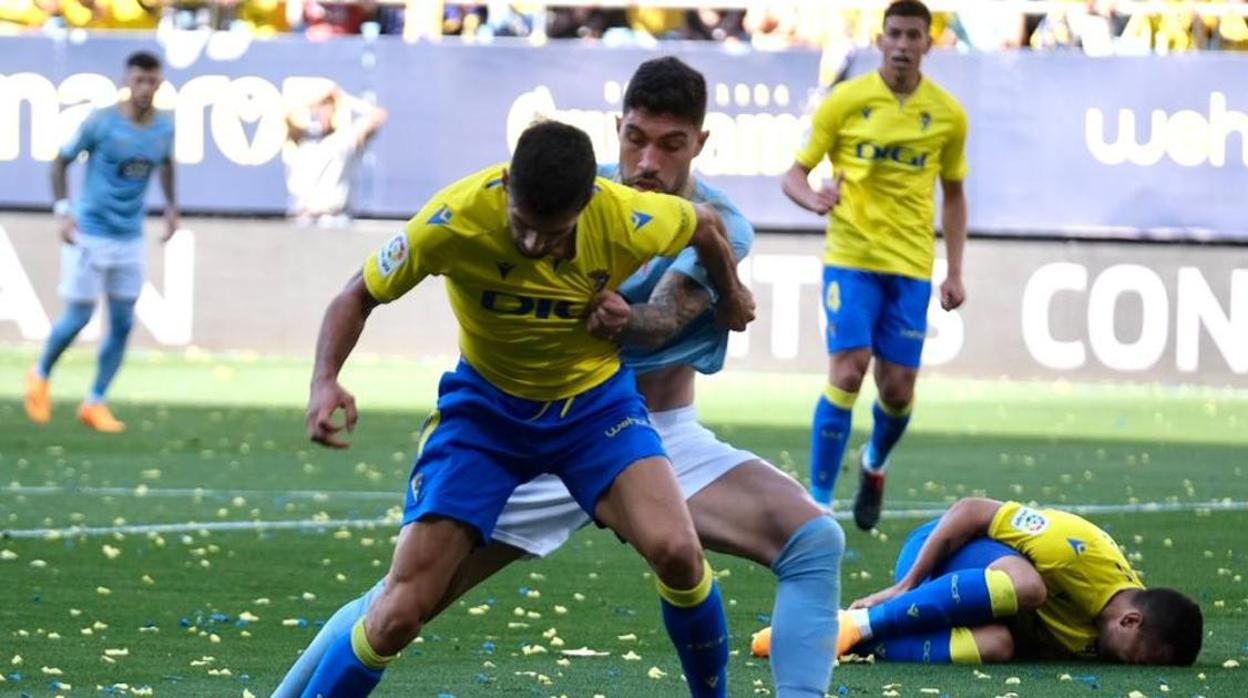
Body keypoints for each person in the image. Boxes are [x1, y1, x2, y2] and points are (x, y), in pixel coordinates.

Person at [274, 56, 843, 698]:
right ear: (616, 131)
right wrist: (325, 380)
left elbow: (666, 311)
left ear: (699, 145)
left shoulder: (660, 215)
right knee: (403, 604)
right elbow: (362, 291)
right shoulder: (550, 189)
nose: (648, 161)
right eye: (635, 139)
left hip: (623, 424)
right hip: (505, 420)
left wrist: (720, 297)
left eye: (671, 144)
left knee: (804, 541)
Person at [780, 0, 969, 530]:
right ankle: (819, 503)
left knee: (898, 389)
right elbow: (793, 175)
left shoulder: (948, 115)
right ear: (880, 40)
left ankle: (874, 463)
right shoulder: (845, 101)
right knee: (847, 367)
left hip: (910, 264)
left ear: (929, 43)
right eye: (895, 34)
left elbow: (954, 195)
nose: (904, 45)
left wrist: (954, 270)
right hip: (851, 257)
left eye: (914, 35)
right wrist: (813, 199)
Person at [756, 497, 1203, 666]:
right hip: (935, 554)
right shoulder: (1071, 551)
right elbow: (971, 510)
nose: (1131, 668)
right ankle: (863, 623)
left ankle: (849, 641)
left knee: (999, 647)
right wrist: (905, 586)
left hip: (963, 603)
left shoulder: (1111, 627)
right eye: (1139, 660)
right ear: (1130, 622)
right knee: (1029, 587)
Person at [24, 50, 177, 433]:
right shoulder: (102, 123)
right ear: (127, 81)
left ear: (159, 84)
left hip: (129, 237)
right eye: (139, 80)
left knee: (123, 322)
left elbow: (167, 163)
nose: (145, 88)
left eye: (152, 81)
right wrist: (63, 210)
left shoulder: (164, 128)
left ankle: (95, 401)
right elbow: (60, 161)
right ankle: (40, 374)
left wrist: (172, 207)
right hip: (91, 232)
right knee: (78, 317)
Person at [283, 82, 388, 227]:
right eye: (320, 107)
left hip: (334, 218)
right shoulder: (301, 139)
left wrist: (344, 98)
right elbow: (284, 113)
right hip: (304, 218)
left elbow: (378, 115)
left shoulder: (343, 139)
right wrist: (314, 99)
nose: (322, 112)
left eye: (327, 106)